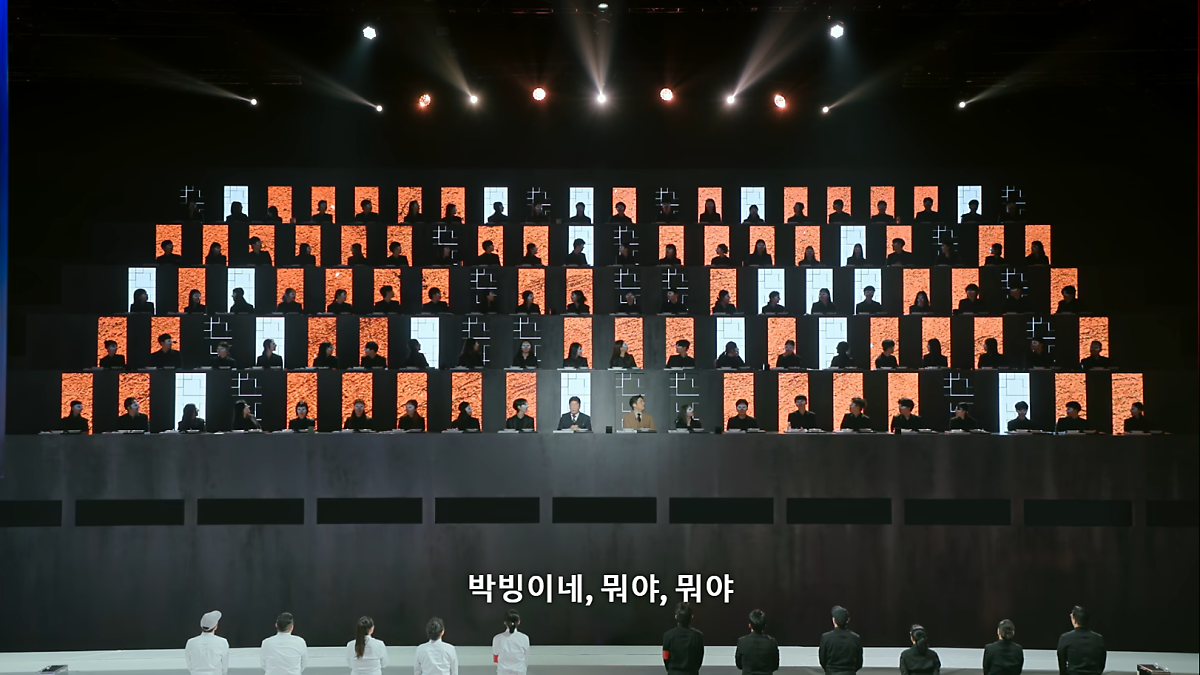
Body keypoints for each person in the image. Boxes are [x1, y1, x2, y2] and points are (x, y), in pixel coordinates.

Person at [1056, 607, 1106, 675]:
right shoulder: (1098, 639)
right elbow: (1102, 663)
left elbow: (1062, 663)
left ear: (1074, 620)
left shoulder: (1065, 638)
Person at [663, 602, 705, 675]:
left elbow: (666, 657)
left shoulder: (668, 635)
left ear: (676, 617)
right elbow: (699, 657)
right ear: (691, 617)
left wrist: (671, 670)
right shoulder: (698, 636)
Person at [819, 606, 863, 675]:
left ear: (834, 620)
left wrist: (830, 671)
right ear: (848, 620)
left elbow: (822, 660)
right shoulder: (856, 638)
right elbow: (859, 663)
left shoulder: (826, 638)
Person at [735, 609, 779, 675]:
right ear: (765, 625)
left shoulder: (742, 641)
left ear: (750, 625)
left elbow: (739, 665)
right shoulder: (772, 642)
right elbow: (775, 665)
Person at [185, 610, 229, 675]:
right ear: (216, 627)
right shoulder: (223, 642)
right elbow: (225, 667)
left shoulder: (190, 642)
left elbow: (189, 665)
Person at [492, 610, 530, 675]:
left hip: (503, 672)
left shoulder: (497, 638)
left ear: (505, 622)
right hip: (520, 672)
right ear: (518, 622)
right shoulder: (524, 638)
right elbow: (526, 657)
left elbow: (495, 658)